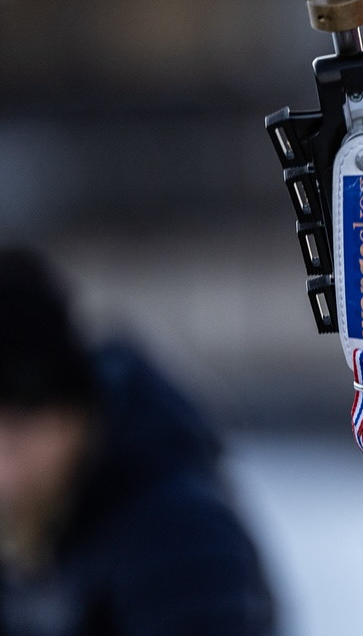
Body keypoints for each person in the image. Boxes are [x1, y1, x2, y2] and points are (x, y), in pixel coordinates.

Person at [0, 247, 275, 634]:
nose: (5, 470)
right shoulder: (32, 527)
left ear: (72, 418)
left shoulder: (178, 539)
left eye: (18, 436)